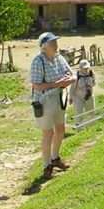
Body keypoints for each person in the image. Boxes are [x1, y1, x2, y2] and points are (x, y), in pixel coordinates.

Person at [31, 32, 75, 180]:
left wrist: (69, 80)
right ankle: (46, 165)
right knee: (47, 133)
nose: (56, 45)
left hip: (59, 97)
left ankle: (55, 158)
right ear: (44, 46)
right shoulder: (38, 61)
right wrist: (58, 83)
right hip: (44, 100)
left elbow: (72, 74)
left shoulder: (59, 58)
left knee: (60, 129)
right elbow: (37, 86)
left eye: (55, 42)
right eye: (52, 43)